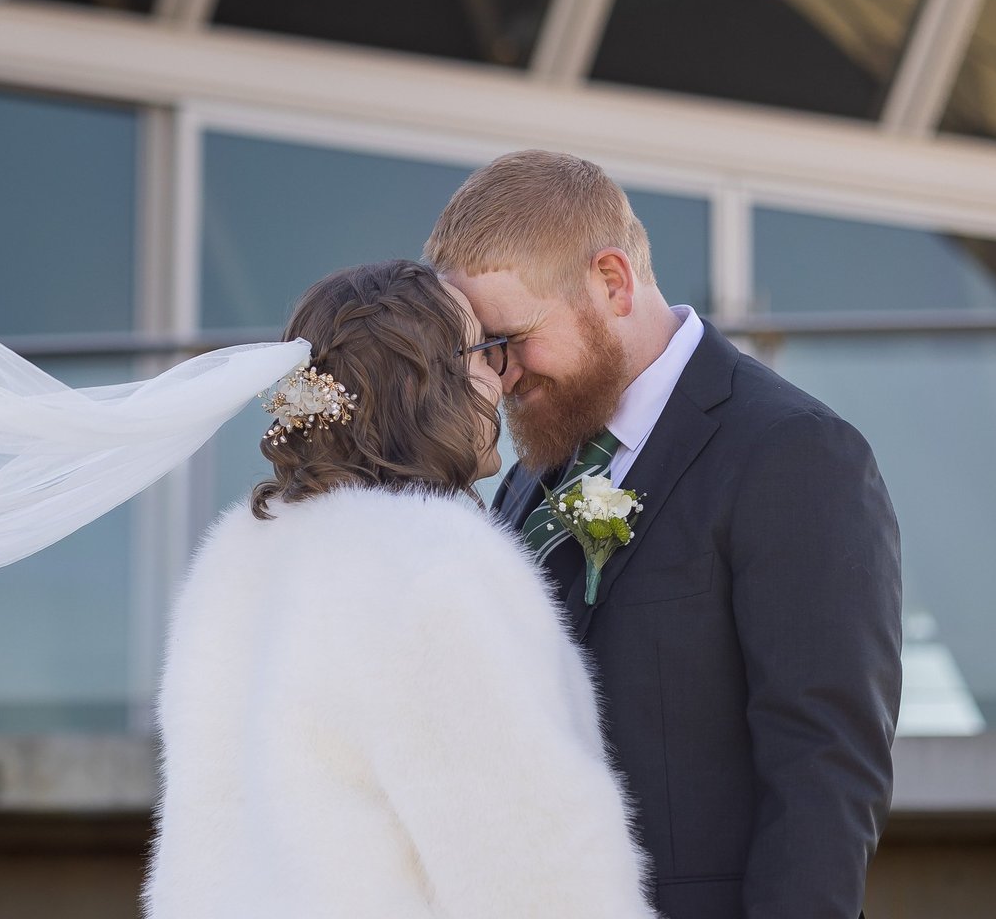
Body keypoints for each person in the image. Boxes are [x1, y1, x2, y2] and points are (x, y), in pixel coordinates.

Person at [427, 150, 902, 919]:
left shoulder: (792, 452)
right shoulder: (528, 472)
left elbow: (826, 768)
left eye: (510, 338)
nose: (502, 375)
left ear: (611, 282)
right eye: (484, 351)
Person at [145, 260, 658, 919]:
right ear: (428, 387)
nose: (502, 377)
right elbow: (533, 867)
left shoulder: (237, 565)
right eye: (482, 353)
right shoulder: (428, 564)